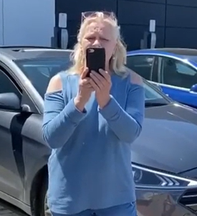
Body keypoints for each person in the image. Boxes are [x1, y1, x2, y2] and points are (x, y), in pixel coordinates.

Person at [42, 11, 145, 216]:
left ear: (114, 46)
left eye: (104, 39)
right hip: (69, 200)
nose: (96, 43)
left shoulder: (132, 82)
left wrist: (106, 101)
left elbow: (130, 134)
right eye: (90, 38)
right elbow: (51, 138)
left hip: (117, 199)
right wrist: (79, 101)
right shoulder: (59, 82)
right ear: (81, 44)